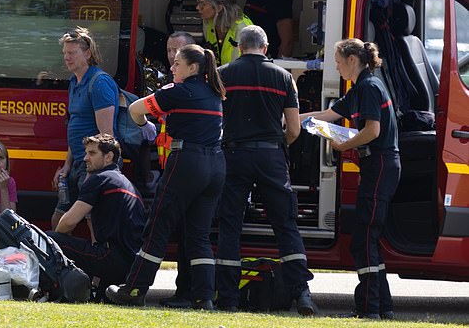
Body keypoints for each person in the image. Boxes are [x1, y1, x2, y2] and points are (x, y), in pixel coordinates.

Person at [105, 44, 226, 310]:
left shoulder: (178, 91)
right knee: (199, 235)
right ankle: (203, 296)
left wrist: (145, 127)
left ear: (192, 68)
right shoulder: (214, 92)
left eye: (177, 64)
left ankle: (134, 288)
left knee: (157, 227)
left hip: (187, 162)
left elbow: (136, 110)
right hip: (216, 165)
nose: (171, 68)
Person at [215, 25, 317, 315]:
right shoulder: (283, 77)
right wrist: (276, 145)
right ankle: (302, 294)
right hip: (271, 156)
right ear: (266, 46)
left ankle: (228, 299)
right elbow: (294, 129)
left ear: (239, 46)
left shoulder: (223, 74)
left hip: (233, 155)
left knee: (230, 224)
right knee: (285, 225)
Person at [300, 38, 400, 319]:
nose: (336, 66)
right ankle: (383, 307)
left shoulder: (368, 87)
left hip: (380, 163)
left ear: (353, 60)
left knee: (364, 237)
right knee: (369, 236)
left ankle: (369, 309)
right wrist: (292, 119)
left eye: (338, 61)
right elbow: (327, 115)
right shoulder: (360, 88)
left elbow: (372, 131)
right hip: (376, 166)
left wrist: (344, 145)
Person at [46, 134, 146, 301]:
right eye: (86, 153)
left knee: (50, 238)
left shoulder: (100, 179)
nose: (85, 158)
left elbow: (68, 223)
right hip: (132, 266)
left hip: (112, 258)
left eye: (92, 153)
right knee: (100, 299)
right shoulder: (126, 182)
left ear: (108, 157)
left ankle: (53, 291)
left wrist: (58, 244)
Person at [51, 27, 120, 230]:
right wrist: (67, 165)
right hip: (78, 163)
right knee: (60, 217)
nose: (67, 58)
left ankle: (99, 258)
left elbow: (107, 137)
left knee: (94, 219)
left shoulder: (99, 83)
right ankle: (58, 260)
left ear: (88, 53)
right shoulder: (74, 82)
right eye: (65, 53)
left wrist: (95, 172)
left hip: (94, 165)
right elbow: (77, 127)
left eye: (72, 53)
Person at [156, 31, 196, 309]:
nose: (171, 58)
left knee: (185, 236)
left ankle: (186, 292)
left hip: (184, 173)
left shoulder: (188, 90)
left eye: (177, 53)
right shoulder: (177, 88)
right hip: (171, 170)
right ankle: (188, 291)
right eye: (169, 51)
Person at [197, 0, 253, 66]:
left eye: (202, 4)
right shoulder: (208, 22)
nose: (197, 7)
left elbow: (249, 66)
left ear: (219, 7)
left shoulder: (244, 29)